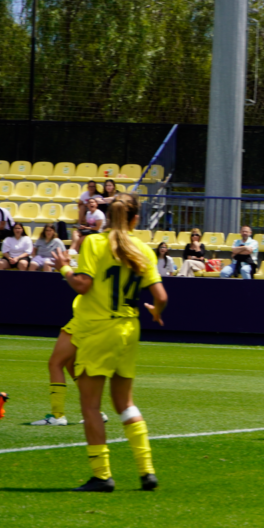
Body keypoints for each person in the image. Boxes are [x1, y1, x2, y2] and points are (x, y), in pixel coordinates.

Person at [50, 192, 168, 492]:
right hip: (129, 329)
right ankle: (147, 471)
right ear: (136, 219)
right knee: (124, 403)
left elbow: (82, 284)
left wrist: (64, 267)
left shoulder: (94, 243)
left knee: (90, 405)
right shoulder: (143, 250)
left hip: (100, 328)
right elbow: (161, 297)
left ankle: (102, 476)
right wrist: (156, 313)